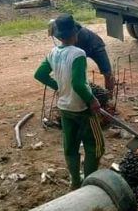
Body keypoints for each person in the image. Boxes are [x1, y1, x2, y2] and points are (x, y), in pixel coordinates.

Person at [35, 14, 105, 190]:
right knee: (95, 146)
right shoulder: (78, 53)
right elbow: (79, 84)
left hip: (64, 108)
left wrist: (58, 86)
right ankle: (89, 182)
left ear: (59, 36)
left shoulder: (53, 53)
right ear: (75, 33)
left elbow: (40, 74)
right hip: (82, 108)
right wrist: (92, 100)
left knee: (71, 146)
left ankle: (75, 181)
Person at [48, 18, 114, 92]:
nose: (58, 38)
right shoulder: (63, 34)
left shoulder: (75, 32)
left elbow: (71, 53)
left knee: (108, 73)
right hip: (81, 47)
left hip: (96, 46)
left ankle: (109, 95)